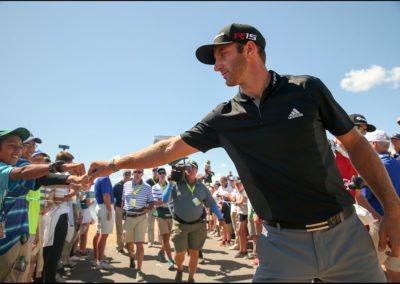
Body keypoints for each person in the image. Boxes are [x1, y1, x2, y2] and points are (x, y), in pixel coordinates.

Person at [88, 23, 400, 282]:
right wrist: (114, 163)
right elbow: (170, 148)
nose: (216, 66)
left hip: (345, 236)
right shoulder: (223, 118)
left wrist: (392, 206)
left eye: (222, 55)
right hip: (281, 246)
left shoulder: (306, 90)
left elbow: (356, 144)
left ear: (249, 49)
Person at [0, 128, 86, 283]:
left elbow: (41, 179)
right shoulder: (6, 169)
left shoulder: (18, 168)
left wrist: (70, 178)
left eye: (21, 146)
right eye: (12, 145)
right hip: (6, 246)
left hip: (19, 237)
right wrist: (59, 167)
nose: (19, 150)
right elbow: (22, 172)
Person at [162, 160, 224, 283]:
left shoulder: (202, 187)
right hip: (180, 225)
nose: (190, 169)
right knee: (180, 253)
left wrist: (220, 217)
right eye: (187, 167)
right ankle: (180, 269)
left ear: (196, 170)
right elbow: (165, 199)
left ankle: (191, 278)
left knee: (195, 253)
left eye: (193, 167)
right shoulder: (177, 184)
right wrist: (170, 183)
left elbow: (211, 204)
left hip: (198, 225)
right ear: (184, 170)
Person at [362, 130, 400, 282]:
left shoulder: (371, 166)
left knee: (368, 271)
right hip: (397, 225)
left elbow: (362, 200)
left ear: (373, 144)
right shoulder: (397, 163)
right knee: (395, 267)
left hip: (379, 227)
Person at [122, 169, 154, 282]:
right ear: (132, 173)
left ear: (142, 174)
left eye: (139, 172)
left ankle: (139, 270)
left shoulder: (147, 187)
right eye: (135, 171)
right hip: (128, 218)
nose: (137, 173)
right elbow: (123, 201)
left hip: (141, 217)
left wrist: (148, 207)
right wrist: (122, 215)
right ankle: (131, 257)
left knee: (139, 244)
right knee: (129, 245)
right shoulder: (126, 185)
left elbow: (151, 202)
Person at [151, 167, 175, 271]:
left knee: (168, 238)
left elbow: (173, 199)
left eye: (163, 173)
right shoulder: (155, 187)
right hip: (160, 213)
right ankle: (170, 260)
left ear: (165, 174)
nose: (161, 174)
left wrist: (163, 200)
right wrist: (164, 201)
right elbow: (155, 202)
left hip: (171, 213)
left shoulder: (171, 185)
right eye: (159, 173)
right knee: (165, 237)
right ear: (157, 175)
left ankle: (161, 251)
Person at [92, 176, 115, 271]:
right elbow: (106, 195)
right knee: (103, 235)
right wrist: (109, 210)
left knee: (99, 234)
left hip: (100, 207)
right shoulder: (105, 178)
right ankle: (100, 261)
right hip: (105, 207)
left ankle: (96, 257)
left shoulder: (98, 179)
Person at [112, 169, 131, 254]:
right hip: (119, 209)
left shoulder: (132, 185)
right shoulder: (117, 185)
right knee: (119, 228)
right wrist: (114, 207)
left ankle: (127, 244)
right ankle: (119, 247)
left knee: (128, 229)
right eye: (126, 174)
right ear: (123, 175)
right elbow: (112, 198)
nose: (127, 176)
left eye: (129, 174)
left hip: (129, 209)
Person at [145, 168, 159, 248]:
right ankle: (150, 241)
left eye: (156, 171)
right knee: (150, 224)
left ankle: (161, 240)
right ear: (152, 172)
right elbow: (145, 193)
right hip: (151, 206)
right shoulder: (148, 181)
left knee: (160, 223)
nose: (155, 172)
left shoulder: (162, 181)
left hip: (159, 206)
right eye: (154, 171)